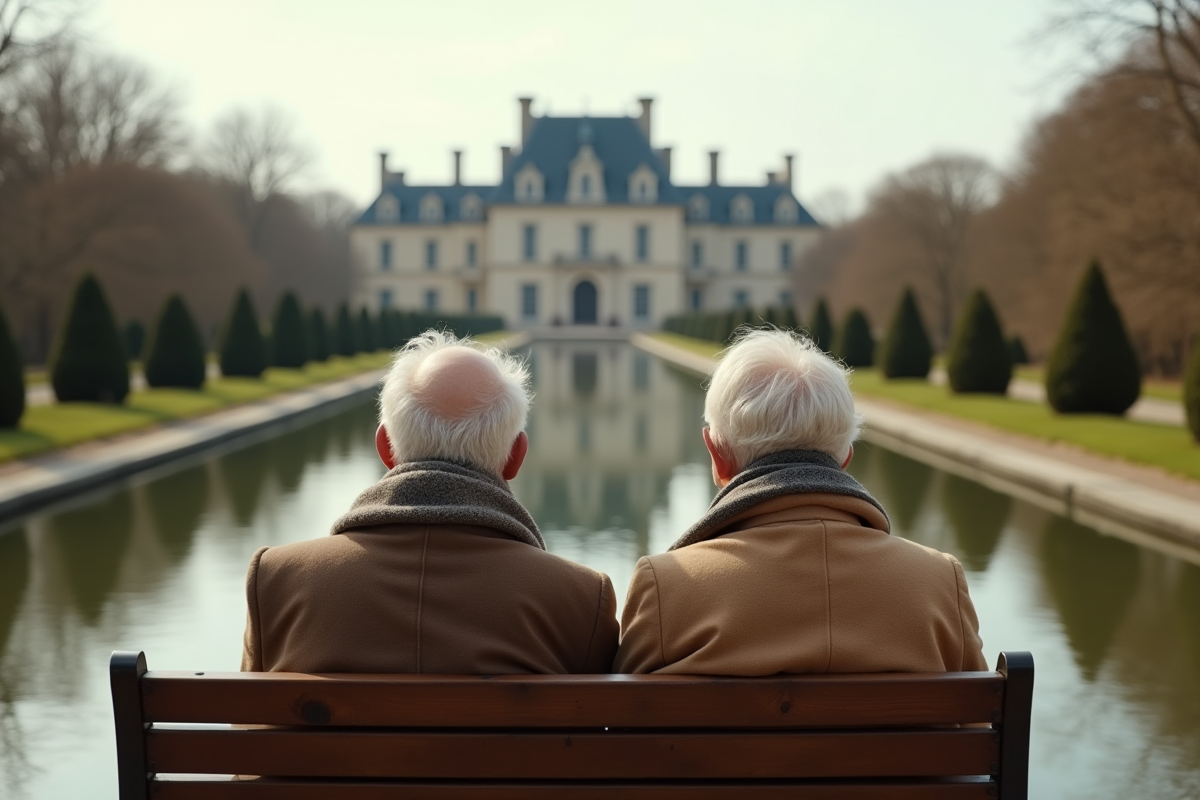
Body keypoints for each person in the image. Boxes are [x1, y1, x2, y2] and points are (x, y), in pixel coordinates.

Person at [241, 330, 619, 674]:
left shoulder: (277, 580)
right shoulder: (580, 599)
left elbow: (247, 732)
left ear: (385, 448)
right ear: (515, 456)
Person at [614, 328, 987, 675]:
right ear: (844, 460)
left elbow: (621, 733)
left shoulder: (666, 586)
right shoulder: (938, 582)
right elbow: (978, 727)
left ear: (717, 455)